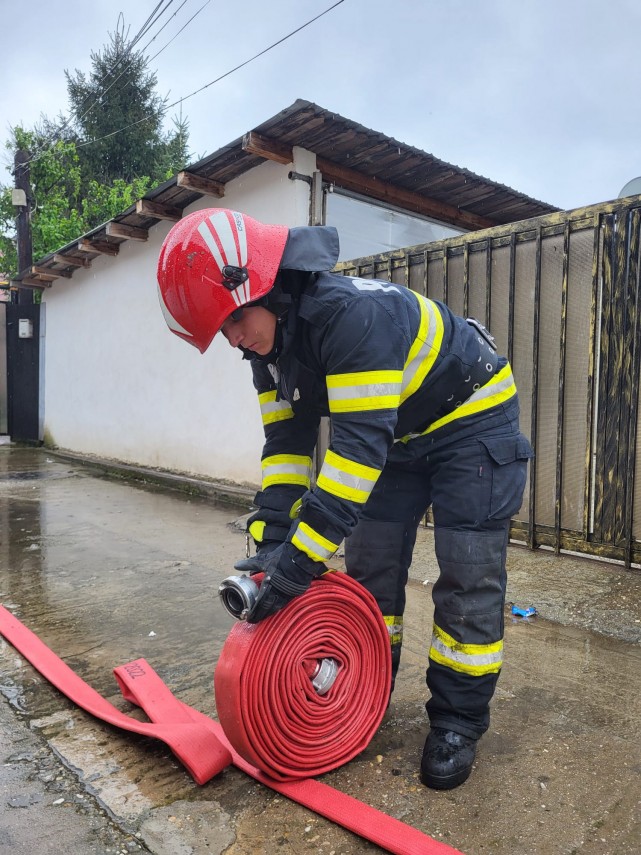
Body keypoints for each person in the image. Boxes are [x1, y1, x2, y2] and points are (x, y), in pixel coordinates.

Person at [156, 207, 533, 790]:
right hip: (401, 433)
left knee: (467, 575)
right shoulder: (268, 353)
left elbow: (355, 455)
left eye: (232, 320)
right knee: (371, 568)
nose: (233, 340)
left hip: (474, 422)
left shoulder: (353, 315)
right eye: (222, 334)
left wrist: (299, 563)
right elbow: (286, 444)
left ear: (262, 285)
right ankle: (364, 692)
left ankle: (458, 720)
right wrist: (271, 539)